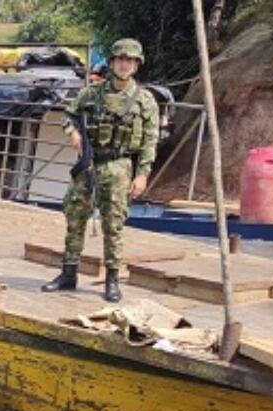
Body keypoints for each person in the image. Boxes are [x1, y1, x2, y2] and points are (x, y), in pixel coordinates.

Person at [42, 38, 160, 303]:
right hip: (90, 162)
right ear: (112, 62)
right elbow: (69, 116)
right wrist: (73, 134)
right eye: (120, 59)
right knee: (75, 216)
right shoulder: (91, 93)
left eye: (129, 60)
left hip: (119, 165)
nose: (124, 64)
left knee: (113, 223)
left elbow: (150, 142)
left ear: (137, 65)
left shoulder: (144, 101)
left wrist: (142, 174)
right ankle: (68, 274)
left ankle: (112, 280)